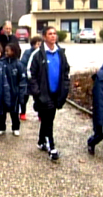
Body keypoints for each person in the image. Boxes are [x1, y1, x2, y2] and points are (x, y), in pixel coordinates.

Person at [28, 26, 70, 161]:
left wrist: (65, 88)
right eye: (50, 34)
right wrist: (37, 92)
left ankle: (41, 141)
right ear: (44, 37)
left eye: (54, 33)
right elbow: (30, 73)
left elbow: (65, 72)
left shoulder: (61, 53)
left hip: (56, 94)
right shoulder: (38, 54)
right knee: (48, 121)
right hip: (43, 94)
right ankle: (51, 147)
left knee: (48, 119)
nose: (53, 36)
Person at [1, 43, 27, 137]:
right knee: (2, 112)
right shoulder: (2, 62)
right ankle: (1, 127)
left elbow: (23, 80)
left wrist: (21, 93)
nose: (6, 52)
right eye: (5, 50)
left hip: (14, 92)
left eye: (8, 50)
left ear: (14, 51)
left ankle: (15, 127)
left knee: (14, 112)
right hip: (3, 91)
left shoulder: (19, 64)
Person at [20, 36, 42, 121]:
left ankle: (40, 114)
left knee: (38, 98)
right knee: (24, 97)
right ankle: (22, 113)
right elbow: (23, 64)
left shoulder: (42, 53)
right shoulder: (28, 52)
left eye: (40, 44)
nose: (39, 46)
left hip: (36, 80)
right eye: (37, 44)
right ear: (33, 44)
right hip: (27, 78)